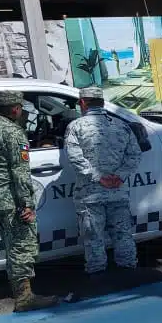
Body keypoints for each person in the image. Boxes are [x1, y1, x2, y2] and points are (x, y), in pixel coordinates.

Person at [0, 91, 62, 312]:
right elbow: (20, 172)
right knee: (22, 246)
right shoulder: (13, 133)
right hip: (12, 200)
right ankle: (24, 298)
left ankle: (20, 292)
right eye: (20, 108)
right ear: (14, 109)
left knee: (11, 246)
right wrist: (27, 204)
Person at [64, 87, 143, 280]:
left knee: (93, 237)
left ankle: (98, 278)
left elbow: (75, 157)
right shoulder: (121, 125)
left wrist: (98, 177)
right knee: (123, 234)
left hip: (90, 195)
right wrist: (119, 176)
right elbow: (135, 154)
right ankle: (129, 273)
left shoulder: (76, 126)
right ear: (101, 103)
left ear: (83, 103)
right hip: (118, 192)